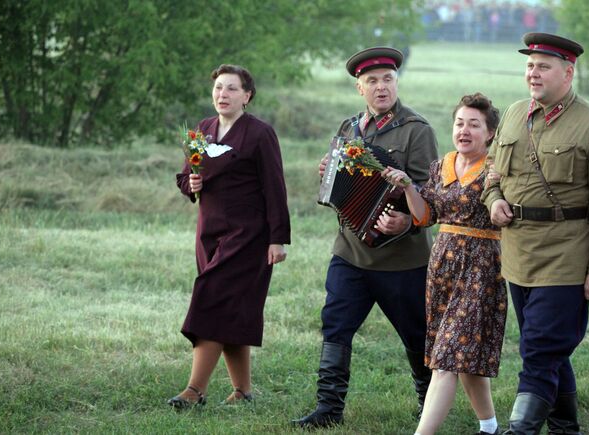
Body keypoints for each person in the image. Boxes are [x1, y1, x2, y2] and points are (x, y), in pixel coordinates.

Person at [481, 33, 589, 434]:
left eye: (543, 66)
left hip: (566, 257)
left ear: (568, 72)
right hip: (518, 255)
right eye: (530, 65)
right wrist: (494, 198)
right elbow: (492, 172)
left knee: (538, 351)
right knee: (551, 351)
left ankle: (520, 430)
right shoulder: (514, 114)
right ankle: (565, 428)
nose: (533, 73)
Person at [292, 46, 438, 429]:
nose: (381, 87)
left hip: (402, 259)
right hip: (350, 251)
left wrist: (407, 222)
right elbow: (337, 184)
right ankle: (328, 409)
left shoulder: (416, 130)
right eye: (371, 81)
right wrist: (327, 173)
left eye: (387, 79)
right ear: (360, 88)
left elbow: (430, 192)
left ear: (396, 82)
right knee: (336, 325)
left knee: (417, 333)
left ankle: (428, 403)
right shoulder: (348, 128)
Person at [383, 93, 508, 435]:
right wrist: (409, 187)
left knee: (446, 359)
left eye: (474, 124)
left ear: (490, 133)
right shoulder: (442, 165)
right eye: (459, 123)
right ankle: (490, 427)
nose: (464, 130)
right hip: (442, 267)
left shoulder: (497, 168)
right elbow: (426, 217)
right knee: (461, 358)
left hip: (481, 267)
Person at [169, 64, 291, 408]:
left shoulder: (260, 133)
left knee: (211, 300)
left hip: (248, 235)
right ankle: (243, 391)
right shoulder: (203, 130)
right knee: (232, 310)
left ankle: (195, 391)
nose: (223, 94)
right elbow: (184, 176)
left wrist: (277, 238)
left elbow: (275, 188)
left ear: (247, 96)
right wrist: (190, 184)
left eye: (232, 89)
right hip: (208, 233)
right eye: (219, 88)